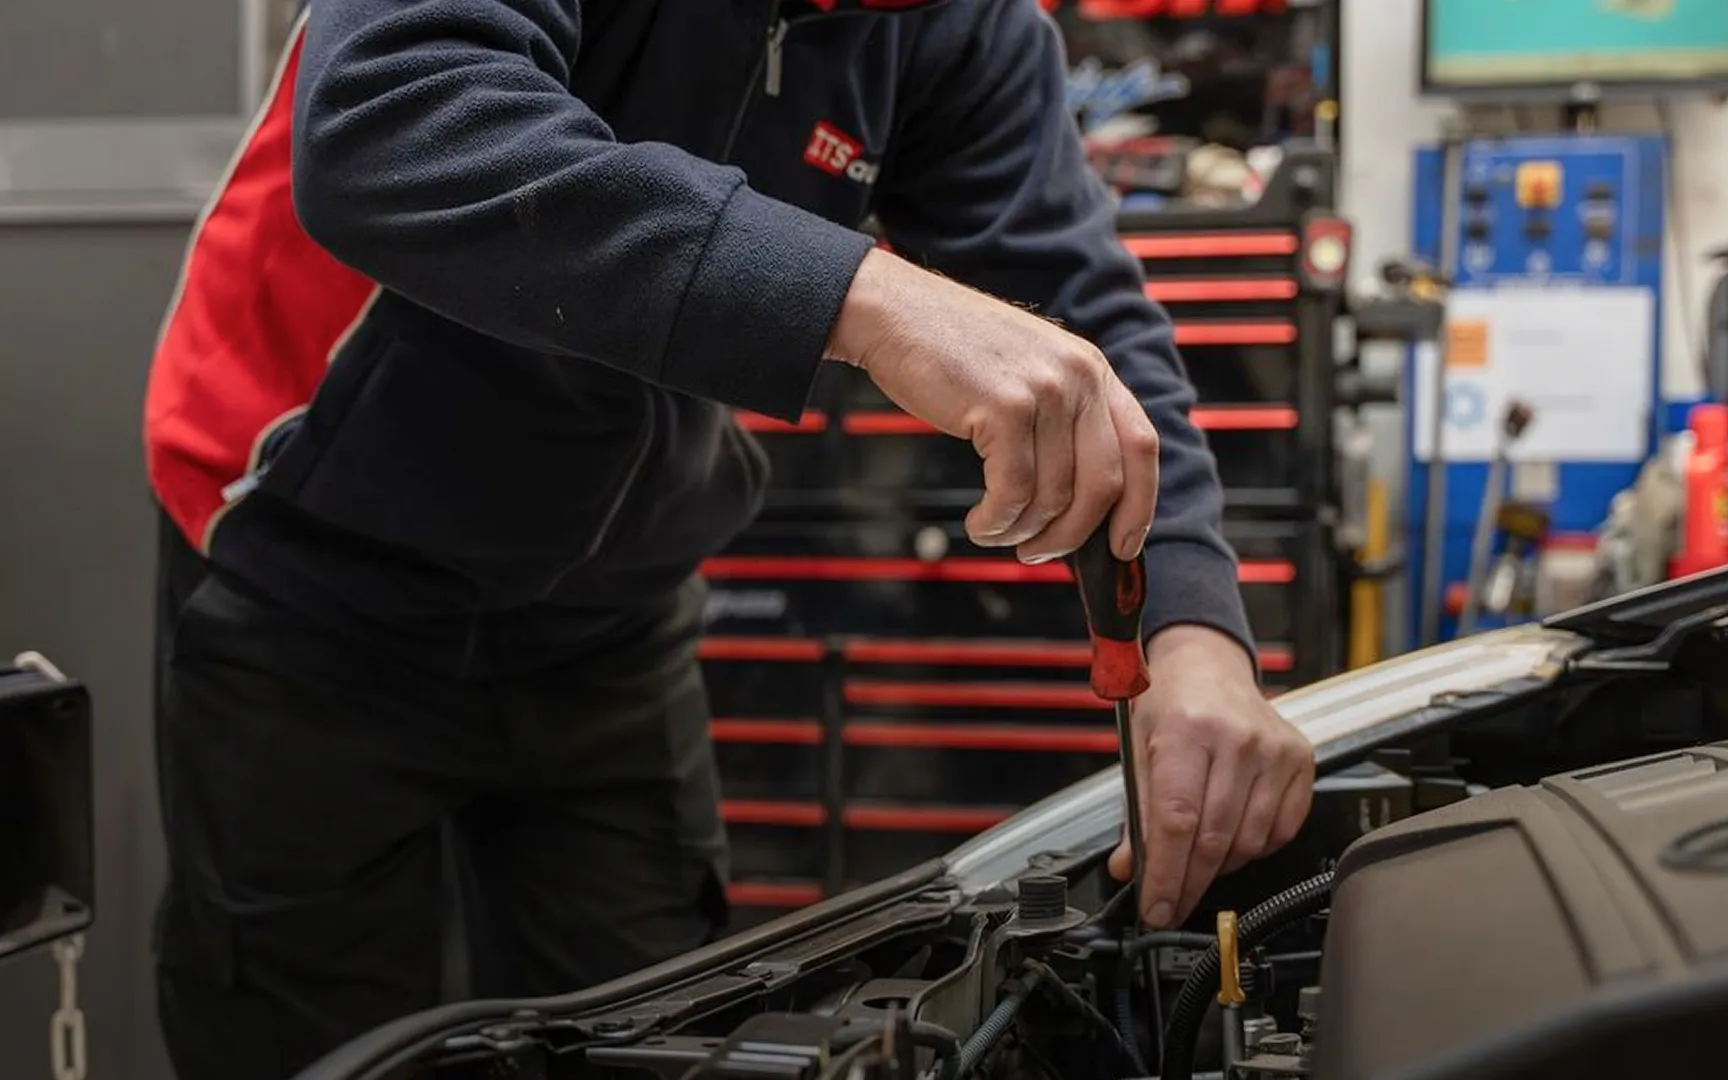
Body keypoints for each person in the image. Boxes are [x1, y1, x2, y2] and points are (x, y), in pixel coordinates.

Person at [142, 0, 1316, 1076]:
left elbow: (1078, 306)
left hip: (611, 615)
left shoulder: (956, 25)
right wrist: (867, 297)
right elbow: (392, 110)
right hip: (312, 565)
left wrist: (1190, 625)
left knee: (661, 1038)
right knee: (320, 1050)